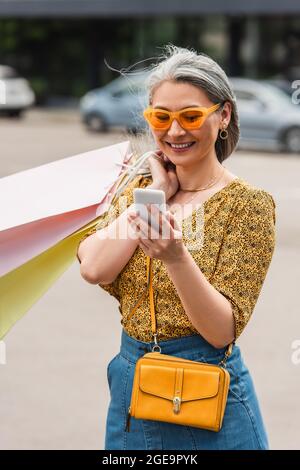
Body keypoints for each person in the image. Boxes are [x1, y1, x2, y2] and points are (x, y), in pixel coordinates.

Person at [76, 45, 276, 450]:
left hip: (208, 396)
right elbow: (94, 267)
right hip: (133, 388)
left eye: (190, 116)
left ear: (223, 116)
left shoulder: (248, 205)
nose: (175, 132)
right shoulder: (138, 190)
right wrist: (157, 193)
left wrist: (176, 257)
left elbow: (221, 332)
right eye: (161, 117)